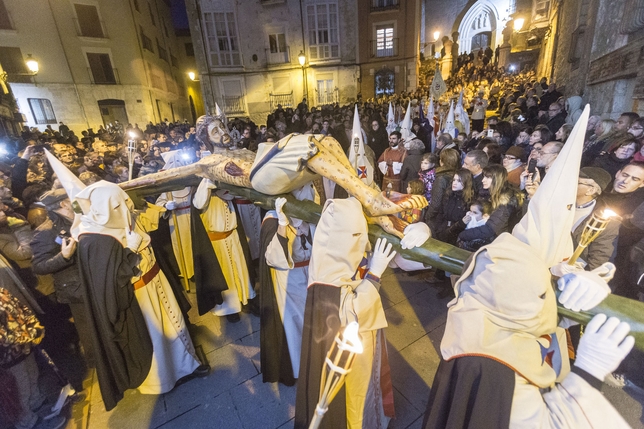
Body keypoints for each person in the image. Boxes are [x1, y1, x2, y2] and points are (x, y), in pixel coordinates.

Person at [422, 107, 634, 429]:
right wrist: (588, 371)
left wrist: (592, 276)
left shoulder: (475, 306)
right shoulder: (500, 369)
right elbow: (544, 419)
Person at [294, 198, 396, 429]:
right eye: (356, 236)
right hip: (348, 352)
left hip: (356, 344)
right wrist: (374, 275)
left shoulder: (333, 253)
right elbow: (352, 316)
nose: (362, 242)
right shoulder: (326, 275)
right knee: (356, 393)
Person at [259, 190, 314, 386]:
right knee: (294, 326)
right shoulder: (273, 219)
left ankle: (316, 362)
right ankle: (298, 368)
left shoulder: (311, 212)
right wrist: (283, 225)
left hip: (312, 274)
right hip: (289, 279)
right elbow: (273, 258)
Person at [192, 179, 255, 322]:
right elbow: (198, 203)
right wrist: (207, 182)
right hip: (216, 243)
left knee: (241, 272)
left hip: (233, 237)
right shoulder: (203, 193)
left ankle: (244, 300)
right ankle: (229, 309)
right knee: (225, 277)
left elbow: (234, 195)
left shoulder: (226, 191)